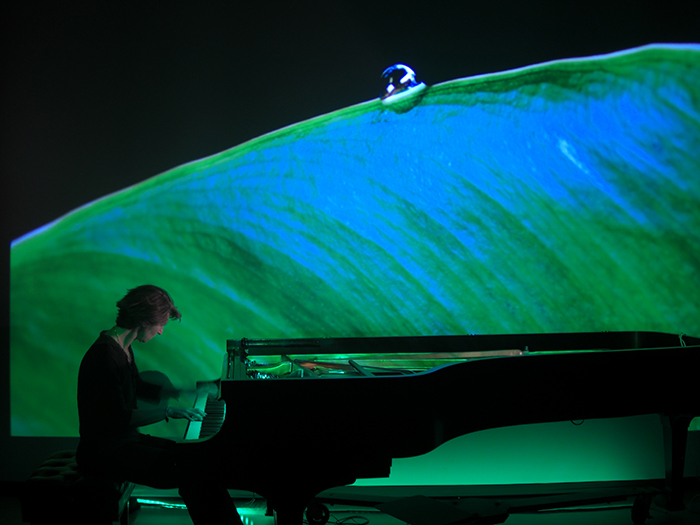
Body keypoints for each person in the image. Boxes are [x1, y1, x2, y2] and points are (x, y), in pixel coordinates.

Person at [76, 284, 243, 524]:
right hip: (106, 454)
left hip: (125, 442)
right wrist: (169, 411)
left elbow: (140, 387)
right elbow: (118, 418)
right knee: (194, 471)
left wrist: (190, 389)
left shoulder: (121, 347)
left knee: (198, 458)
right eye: (160, 324)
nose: (161, 331)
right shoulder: (105, 357)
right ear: (145, 320)